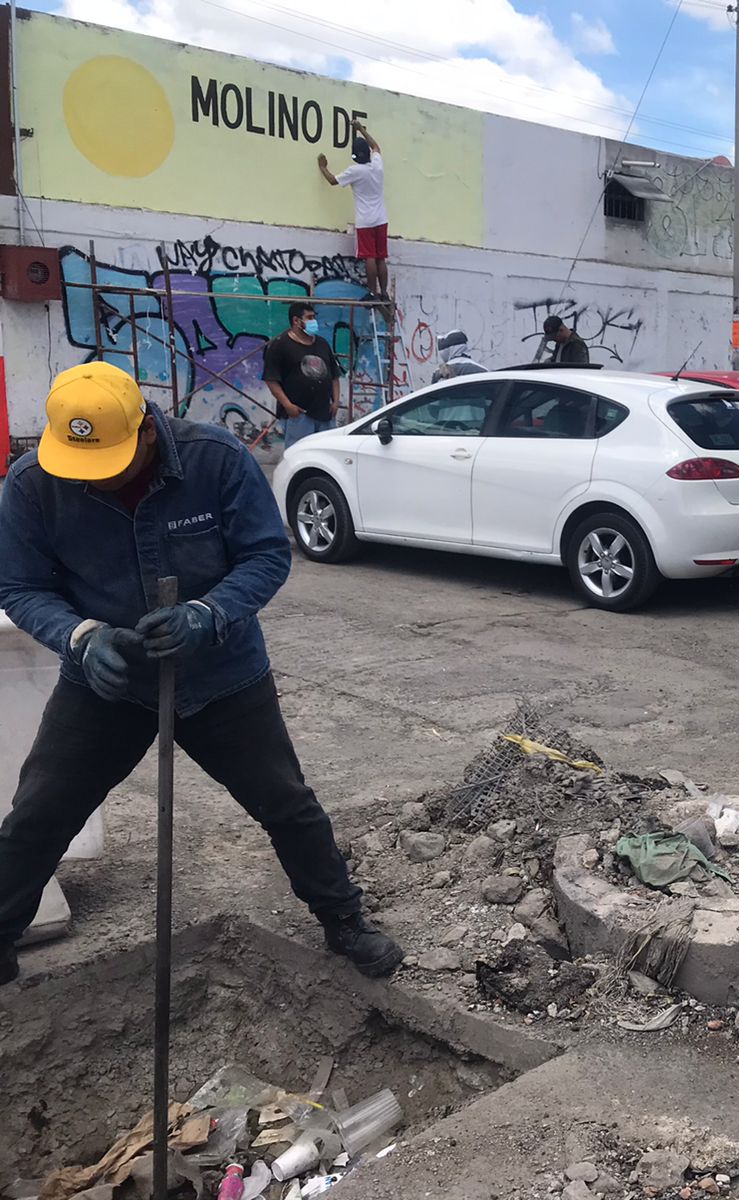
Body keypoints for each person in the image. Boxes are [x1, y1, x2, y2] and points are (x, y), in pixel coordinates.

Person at [0, 362, 403, 986]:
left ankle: (343, 919)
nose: (98, 485)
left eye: (111, 466)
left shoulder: (214, 459)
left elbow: (267, 555)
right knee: (39, 812)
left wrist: (207, 613)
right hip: (107, 681)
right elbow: (21, 586)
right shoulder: (34, 483)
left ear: (148, 433)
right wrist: (80, 638)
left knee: (286, 802)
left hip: (222, 674)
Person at [318, 121, 388, 299]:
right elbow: (376, 146)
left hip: (365, 220)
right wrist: (361, 129)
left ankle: (372, 292)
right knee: (381, 257)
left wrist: (323, 167)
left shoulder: (355, 171)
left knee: (370, 257)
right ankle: (384, 292)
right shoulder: (377, 166)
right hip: (381, 219)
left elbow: (333, 181)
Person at [264, 302, 342, 448]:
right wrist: (288, 406)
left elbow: (334, 375)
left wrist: (336, 401)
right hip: (299, 415)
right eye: (309, 317)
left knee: (326, 455)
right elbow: (271, 379)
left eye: (314, 317)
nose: (314, 322)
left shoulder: (322, 343)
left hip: (325, 414)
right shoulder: (280, 345)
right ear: (296, 321)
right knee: (298, 454)